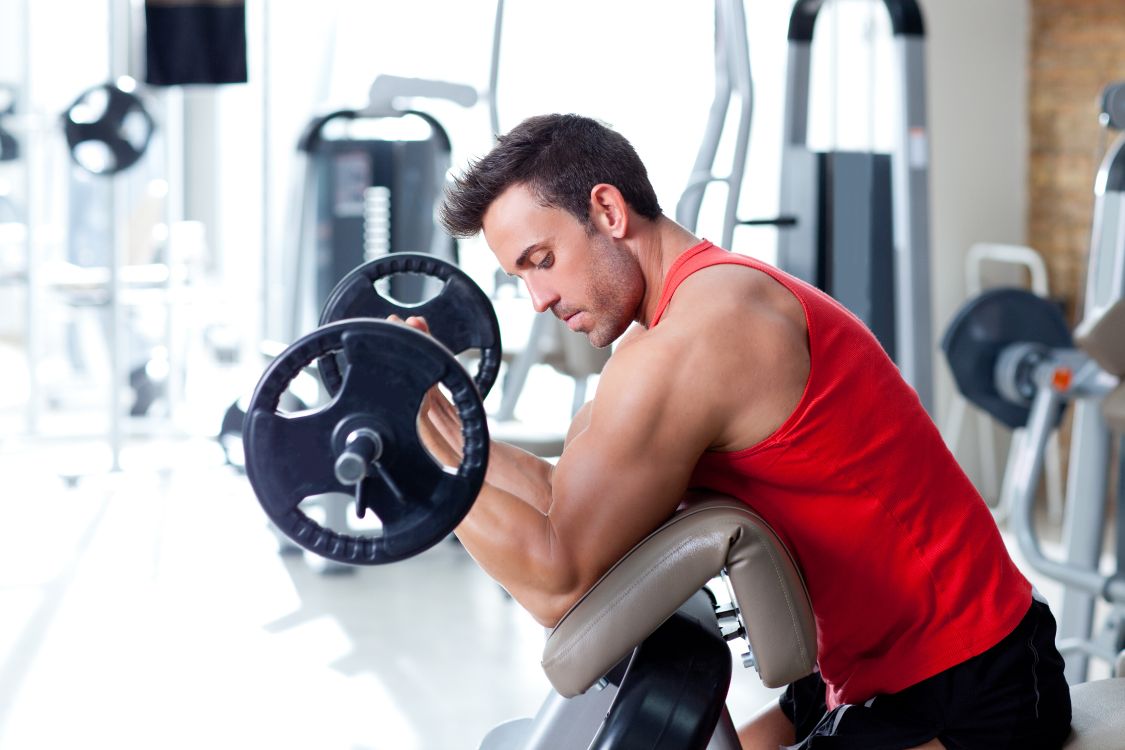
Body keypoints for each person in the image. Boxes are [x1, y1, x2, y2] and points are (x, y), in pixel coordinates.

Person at [405, 113, 1071, 749]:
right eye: (520, 275)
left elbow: (560, 586)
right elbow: (562, 496)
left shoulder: (698, 339)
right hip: (859, 672)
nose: (538, 299)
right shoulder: (683, 316)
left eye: (541, 259)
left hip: (967, 682)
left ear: (608, 211)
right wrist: (439, 421)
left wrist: (423, 456)